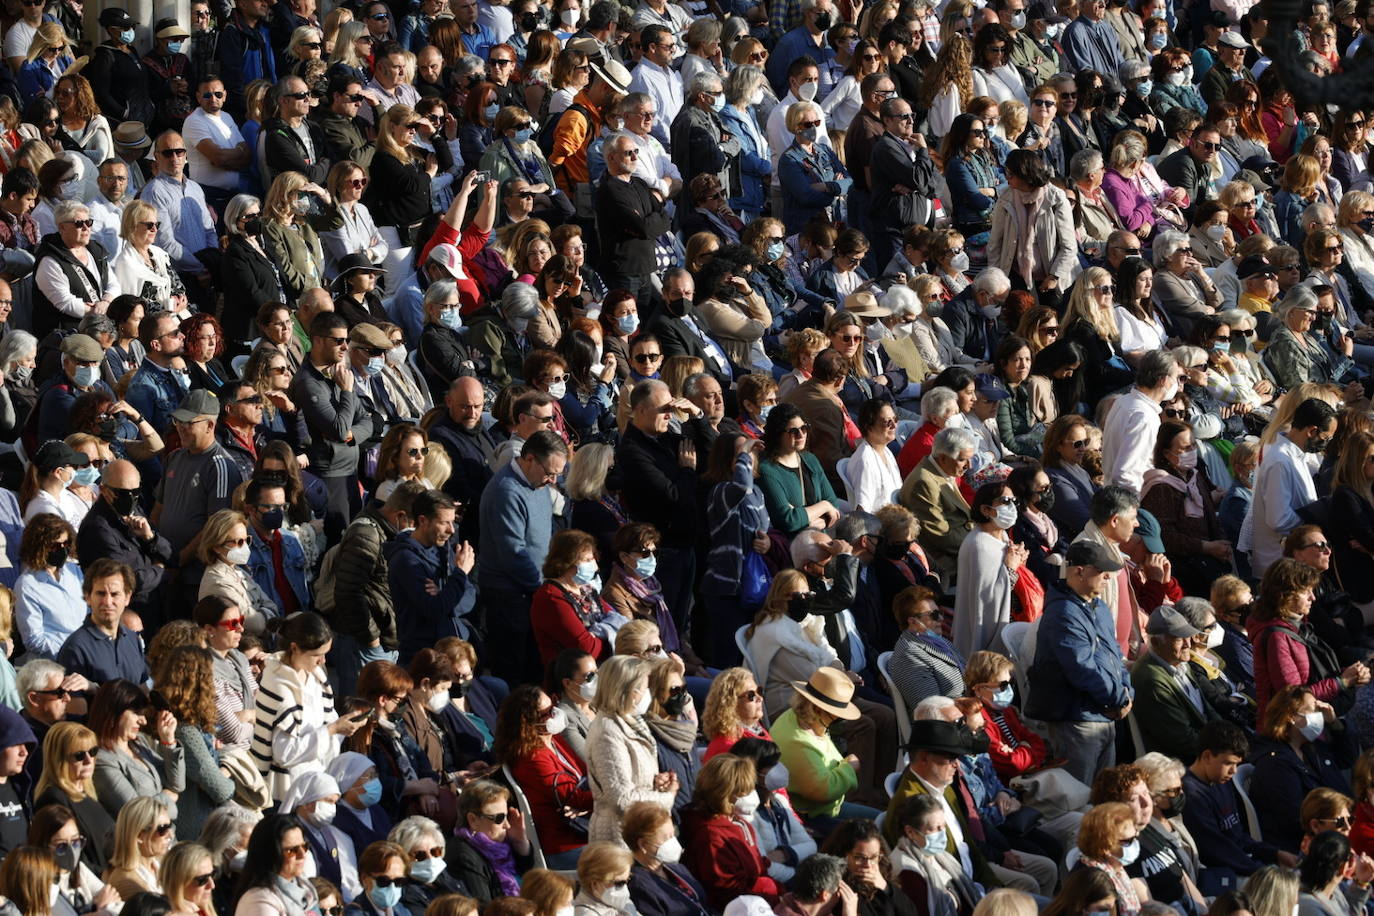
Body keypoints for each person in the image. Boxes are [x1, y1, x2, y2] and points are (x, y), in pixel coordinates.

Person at [1025, 540, 1133, 784]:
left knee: (1102, 797)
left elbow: (1114, 653)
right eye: (1101, 571)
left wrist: (1128, 692)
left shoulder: (1099, 607)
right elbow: (1081, 668)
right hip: (1076, 720)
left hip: (1104, 714)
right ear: (1079, 571)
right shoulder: (1062, 612)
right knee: (1080, 797)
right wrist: (1119, 698)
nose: (1108, 577)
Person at [479, 431, 570, 685]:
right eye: (550, 473)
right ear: (529, 459)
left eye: (557, 475)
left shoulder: (537, 483)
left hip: (533, 591)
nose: (552, 480)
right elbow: (513, 555)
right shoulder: (506, 491)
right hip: (510, 597)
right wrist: (546, 590)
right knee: (515, 672)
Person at [1249, 685, 1353, 854]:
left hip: (1338, 829)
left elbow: (1347, 757)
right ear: (1291, 716)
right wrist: (1345, 825)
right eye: (1314, 710)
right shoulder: (1274, 765)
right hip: (1310, 847)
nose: (1319, 716)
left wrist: (1335, 723)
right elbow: (1296, 819)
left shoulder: (1311, 749)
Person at [1243, 398, 1338, 577]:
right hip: (1281, 566)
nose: (1327, 443)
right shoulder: (1280, 460)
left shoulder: (1292, 453)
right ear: (1312, 431)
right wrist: (1316, 518)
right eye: (1326, 438)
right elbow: (1279, 520)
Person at [680, 754, 781, 908]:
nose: (751, 795)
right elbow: (728, 894)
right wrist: (772, 896)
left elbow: (758, 866)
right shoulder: (711, 837)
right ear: (725, 794)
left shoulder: (737, 821)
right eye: (744, 792)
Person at [954, 481, 1027, 660]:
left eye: (1013, 501)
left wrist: (1019, 563)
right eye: (1005, 501)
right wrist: (1011, 568)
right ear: (986, 510)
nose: (1011, 507)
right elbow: (987, 600)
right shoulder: (979, 545)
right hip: (985, 635)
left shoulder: (1001, 535)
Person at [32, 722, 115, 874]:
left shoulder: (86, 791)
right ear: (59, 759)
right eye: (79, 755)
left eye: (93, 751)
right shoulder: (53, 798)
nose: (89, 760)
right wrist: (111, 877)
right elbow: (72, 859)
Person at [447, 779, 533, 904]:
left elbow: (526, 873)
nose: (507, 825)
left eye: (506, 816)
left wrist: (520, 842)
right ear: (473, 820)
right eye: (499, 818)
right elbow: (483, 906)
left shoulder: (500, 845)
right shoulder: (464, 857)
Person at [233, 813, 324, 915]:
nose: (302, 855)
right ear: (270, 853)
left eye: (304, 846)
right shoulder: (259, 901)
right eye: (292, 850)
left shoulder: (306, 890)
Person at [1075, 802, 1150, 916]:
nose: (1135, 843)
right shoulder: (1094, 880)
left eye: (1136, 836)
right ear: (1105, 845)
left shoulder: (1116, 868)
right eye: (1128, 840)